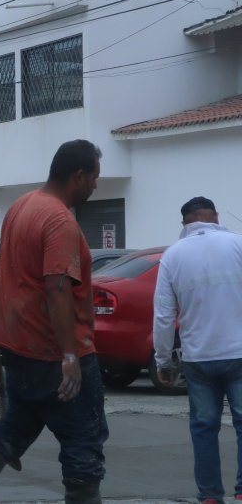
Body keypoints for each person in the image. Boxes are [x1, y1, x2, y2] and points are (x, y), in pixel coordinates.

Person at [0, 139, 107, 504]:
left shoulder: (22, 207)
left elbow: (5, 277)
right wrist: (70, 356)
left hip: (21, 352)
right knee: (84, 448)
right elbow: (57, 289)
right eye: (94, 178)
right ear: (78, 176)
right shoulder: (59, 220)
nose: (96, 186)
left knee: (9, 434)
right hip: (56, 356)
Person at [153, 196, 242, 504]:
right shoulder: (238, 244)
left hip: (198, 359)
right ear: (215, 216)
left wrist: (163, 360)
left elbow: (163, 314)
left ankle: (210, 497)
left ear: (185, 223)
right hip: (239, 353)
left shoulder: (173, 256)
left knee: (204, 429)